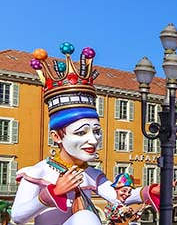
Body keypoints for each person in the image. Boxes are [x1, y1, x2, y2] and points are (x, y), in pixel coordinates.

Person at [12, 44, 160, 225]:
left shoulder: (92, 174)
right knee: (86, 218)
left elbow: (118, 197)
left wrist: (152, 191)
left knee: (86, 218)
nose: (93, 140)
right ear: (56, 136)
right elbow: (18, 216)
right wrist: (53, 193)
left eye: (96, 131)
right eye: (81, 132)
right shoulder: (39, 172)